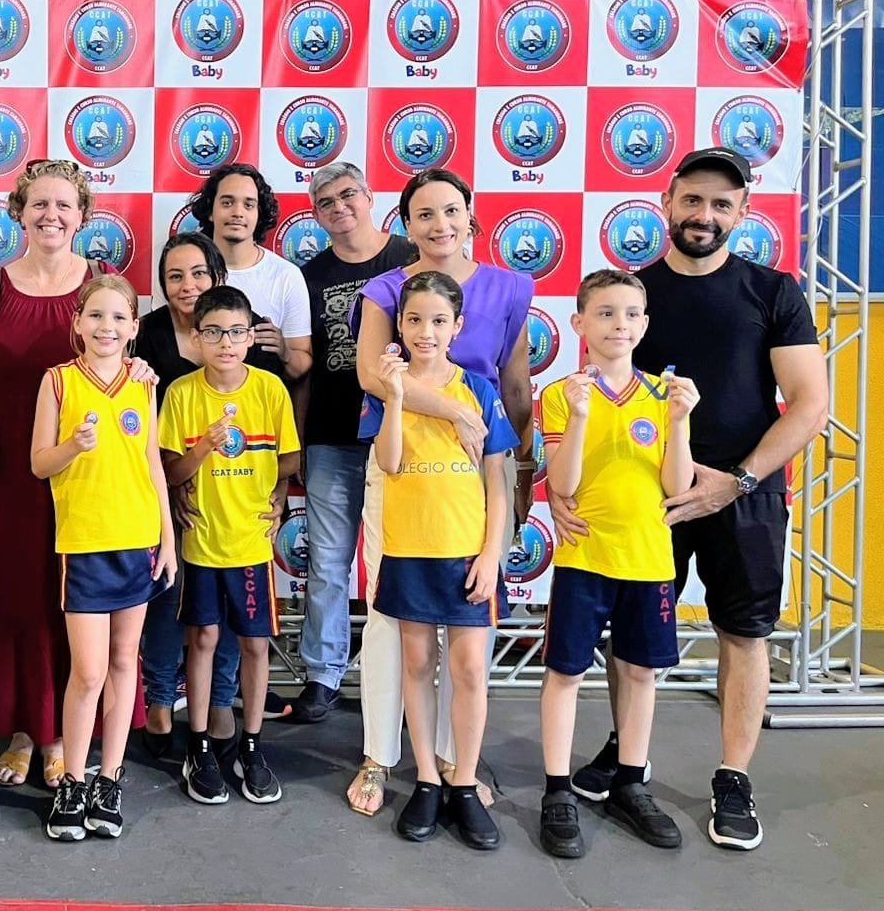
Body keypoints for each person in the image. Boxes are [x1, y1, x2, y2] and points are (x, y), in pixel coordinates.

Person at [558, 147, 828, 851]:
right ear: (668, 202)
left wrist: (737, 480)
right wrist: (561, 490)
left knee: (745, 631)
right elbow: (598, 408)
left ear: (742, 213)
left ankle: (733, 777)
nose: (705, 215)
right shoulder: (635, 298)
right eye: (694, 200)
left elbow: (809, 404)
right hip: (650, 499)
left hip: (746, 493)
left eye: (722, 204)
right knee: (630, 635)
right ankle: (628, 756)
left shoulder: (773, 291)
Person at [0, 159, 144, 790]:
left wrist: (142, 373)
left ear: (83, 215)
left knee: (70, 597)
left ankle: (64, 735)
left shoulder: (101, 283)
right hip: (8, 462)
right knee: (19, 595)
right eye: (39, 204)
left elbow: (121, 367)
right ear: (19, 211)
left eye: (64, 205)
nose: (51, 215)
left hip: (85, 468)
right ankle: (24, 728)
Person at [350, 167, 534, 817]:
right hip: (400, 462)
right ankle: (380, 756)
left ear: (470, 213)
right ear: (406, 224)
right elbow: (374, 376)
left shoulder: (509, 287)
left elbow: (515, 384)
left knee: (466, 623)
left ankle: (456, 764)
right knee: (390, 619)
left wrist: (519, 469)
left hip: (477, 467)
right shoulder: (384, 289)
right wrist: (454, 412)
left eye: (451, 210)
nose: (440, 224)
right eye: (424, 214)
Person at [539, 269, 699, 859]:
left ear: (645, 324)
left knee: (639, 672)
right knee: (566, 673)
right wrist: (580, 416)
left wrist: (678, 423)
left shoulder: (666, 395)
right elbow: (562, 484)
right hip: (585, 557)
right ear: (579, 323)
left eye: (631, 314)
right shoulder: (561, 394)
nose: (619, 325)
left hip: (649, 560)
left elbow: (677, 486)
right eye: (605, 313)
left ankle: (631, 781)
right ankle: (557, 790)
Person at [361, 271, 516, 851]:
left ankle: (464, 780)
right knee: (417, 664)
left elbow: (497, 481)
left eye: (438, 321)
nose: (426, 332)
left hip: (465, 553)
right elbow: (390, 462)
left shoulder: (478, 390)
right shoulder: (387, 388)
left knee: (470, 668)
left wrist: (491, 553)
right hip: (408, 551)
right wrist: (397, 396)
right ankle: (427, 776)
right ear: (399, 326)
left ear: (458, 326)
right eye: (414, 320)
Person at [31, 275, 177, 841]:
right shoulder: (58, 381)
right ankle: (72, 780)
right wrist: (74, 446)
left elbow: (152, 464)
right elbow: (39, 464)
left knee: (123, 665)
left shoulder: (143, 383)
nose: (106, 327)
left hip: (136, 540)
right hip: (85, 544)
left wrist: (167, 537)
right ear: (77, 323)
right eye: (95, 315)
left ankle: (109, 781)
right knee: (88, 672)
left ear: (134, 327)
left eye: (118, 317)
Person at [159, 286, 300, 806]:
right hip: (201, 542)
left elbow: (289, 458)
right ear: (196, 338)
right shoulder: (181, 394)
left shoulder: (270, 389)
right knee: (201, 640)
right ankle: (198, 745)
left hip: (252, 544)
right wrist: (202, 448)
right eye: (214, 332)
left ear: (250, 338)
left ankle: (252, 747)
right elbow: (170, 472)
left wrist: (279, 493)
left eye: (237, 332)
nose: (226, 342)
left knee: (255, 646)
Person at [292, 162, 416, 724]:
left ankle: (405, 677)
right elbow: (305, 367)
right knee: (327, 560)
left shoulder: (410, 259)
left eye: (348, 195)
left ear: (369, 197)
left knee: (403, 557)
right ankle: (323, 674)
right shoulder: (309, 276)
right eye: (326, 202)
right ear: (315, 215)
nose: (339, 207)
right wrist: (298, 440)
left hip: (403, 432)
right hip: (331, 434)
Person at [135, 232, 259, 759]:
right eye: (175, 276)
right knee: (167, 597)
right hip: (162, 486)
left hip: (229, 501)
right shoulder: (145, 334)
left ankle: (221, 699)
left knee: (225, 605)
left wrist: (275, 493)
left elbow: (265, 414)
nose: (188, 285)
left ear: (218, 277)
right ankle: (160, 697)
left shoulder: (242, 329)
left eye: (199, 273)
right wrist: (173, 488)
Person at [189, 163, 311, 382]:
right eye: (227, 202)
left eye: (248, 205)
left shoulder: (286, 275)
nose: (238, 212)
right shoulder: (184, 272)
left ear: (258, 213)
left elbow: (302, 367)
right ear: (210, 211)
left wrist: (284, 351)